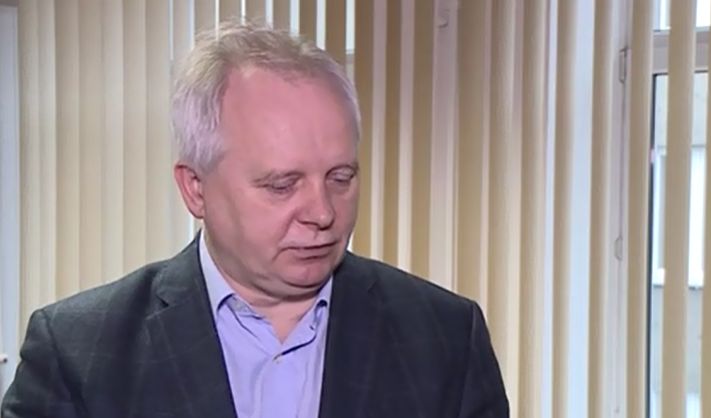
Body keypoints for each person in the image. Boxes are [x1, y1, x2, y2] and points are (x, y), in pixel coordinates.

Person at [1, 22, 509, 418]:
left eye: (341, 177)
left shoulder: (445, 339)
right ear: (195, 188)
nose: (323, 213)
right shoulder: (78, 354)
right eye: (282, 185)